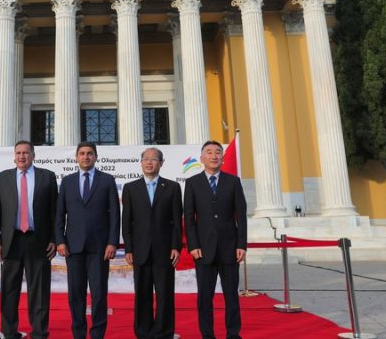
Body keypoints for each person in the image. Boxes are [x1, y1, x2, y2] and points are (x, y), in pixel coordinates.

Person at [0, 140, 59, 339]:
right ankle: (9, 331)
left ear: (33, 155)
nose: (22, 156)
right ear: (14, 156)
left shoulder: (47, 177)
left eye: (26, 153)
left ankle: (39, 332)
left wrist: (54, 239)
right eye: (19, 153)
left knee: (38, 291)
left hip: (38, 241)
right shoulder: (2, 178)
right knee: (9, 290)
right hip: (11, 242)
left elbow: (55, 213)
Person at [56, 141, 120, 339]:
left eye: (90, 153)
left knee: (99, 293)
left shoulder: (107, 180)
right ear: (76, 157)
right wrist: (59, 240)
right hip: (73, 247)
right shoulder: (67, 182)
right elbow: (59, 214)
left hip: (100, 248)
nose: (86, 157)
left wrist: (112, 242)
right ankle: (79, 333)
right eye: (82, 153)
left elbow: (115, 215)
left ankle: (98, 334)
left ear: (96, 157)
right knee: (76, 294)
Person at [184, 140, 247, 339]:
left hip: (230, 249)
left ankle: (233, 334)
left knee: (231, 297)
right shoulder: (193, 183)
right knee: (204, 298)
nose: (213, 156)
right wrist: (192, 245)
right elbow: (189, 217)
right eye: (209, 152)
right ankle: (207, 335)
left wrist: (241, 245)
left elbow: (241, 215)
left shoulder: (233, 181)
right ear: (202, 158)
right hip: (203, 249)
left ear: (222, 157)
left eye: (217, 152)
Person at [122, 147, 182, 339]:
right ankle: (143, 332)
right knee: (142, 294)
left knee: (165, 294)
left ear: (161, 163)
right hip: (140, 250)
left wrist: (175, 246)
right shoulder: (131, 188)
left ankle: (163, 332)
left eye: (154, 159)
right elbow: (127, 221)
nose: (149, 162)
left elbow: (176, 221)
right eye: (146, 159)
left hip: (164, 250)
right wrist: (129, 248)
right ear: (141, 163)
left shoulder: (172, 187)